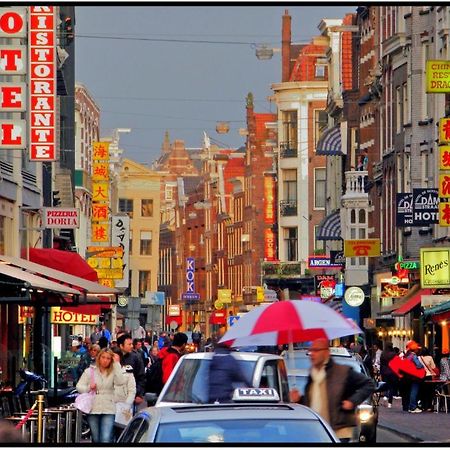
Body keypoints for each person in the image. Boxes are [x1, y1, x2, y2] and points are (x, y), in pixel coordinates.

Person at [289, 338, 375, 442]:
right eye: (311, 350)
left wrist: (352, 401)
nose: (312, 354)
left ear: (326, 352)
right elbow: (314, 401)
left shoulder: (342, 372)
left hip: (338, 433)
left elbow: (369, 384)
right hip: (317, 431)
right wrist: (299, 399)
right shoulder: (312, 374)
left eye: (316, 350)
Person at [76, 348, 126, 443]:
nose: (105, 360)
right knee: (96, 438)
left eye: (108, 358)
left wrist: (117, 364)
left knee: (105, 438)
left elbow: (121, 382)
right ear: (99, 358)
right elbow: (79, 386)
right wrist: (89, 387)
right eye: (103, 357)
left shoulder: (113, 371)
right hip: (93, 407)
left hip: (108, 407)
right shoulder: (90, 371)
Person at [110, 347, 136, 437]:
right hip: (109, 406)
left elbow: (132, 390)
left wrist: (127, 404)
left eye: (115, 356)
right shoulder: (106, 371)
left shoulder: (127, 370)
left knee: (122, 434)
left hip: (123, 406)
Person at [117, 333, 146, 407]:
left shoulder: (136, 357)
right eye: (129, 344)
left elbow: (141, 377)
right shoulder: (112, 356)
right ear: (121, 345)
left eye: (132, 344)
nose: (132, 346)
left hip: (131, 396)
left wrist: (139, 394)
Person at [404, 340, 425, 413]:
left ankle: (410, 406)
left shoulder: (406, 355)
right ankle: (413, 407)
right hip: (415, 376)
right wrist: (422, 366)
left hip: (408, 376)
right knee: (414, 391)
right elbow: (419, 365)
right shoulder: (413, 356)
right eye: (417, 349)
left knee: (411, 391)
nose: (418, 350)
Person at [418, 346, 437, 412]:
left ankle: (423, 406)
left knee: (422, 391)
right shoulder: (430, 357)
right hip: (428, 375)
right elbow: (433, 367)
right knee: (429, 391)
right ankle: (429, 406)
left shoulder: (419, 358)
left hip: (421, 376)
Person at [379, 343, 398, 408]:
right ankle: (390, 402)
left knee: (386, 385)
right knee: (392, 387)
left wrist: (381, 372)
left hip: (384, 371)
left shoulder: (383, 354)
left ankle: (385, 396)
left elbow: (381, 363)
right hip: (392, 371)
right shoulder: (394, 354)